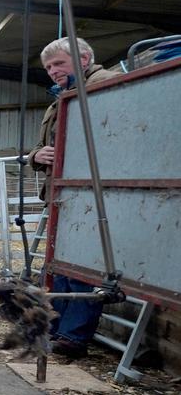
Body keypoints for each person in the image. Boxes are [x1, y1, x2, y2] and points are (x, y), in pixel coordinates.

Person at [28, 36, 120, 358]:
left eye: (59, 64)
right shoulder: (60, 98)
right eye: (49, 66)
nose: (52, 71)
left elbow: (113, 134)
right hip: (63, 193)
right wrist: (37, 155)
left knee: (82, 266)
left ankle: (73, 336)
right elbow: (46, 146)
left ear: (83, 59)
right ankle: (56, 329)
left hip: (89, 192)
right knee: (60, 266)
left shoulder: (104, 84)